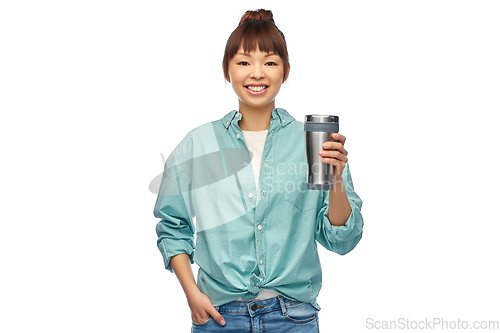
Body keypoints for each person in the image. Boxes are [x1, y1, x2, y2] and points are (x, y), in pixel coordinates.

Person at [154, 9, 364, 332]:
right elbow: (173, 225)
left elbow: (342, 240)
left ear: (286, 70)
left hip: (293, 318)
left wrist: (336, 179)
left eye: (269, 62)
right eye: (243, 62)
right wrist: (191, 294)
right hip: (219, 317)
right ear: (227, 70)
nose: (257, 74)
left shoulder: (311, 141)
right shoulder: (200, 143)